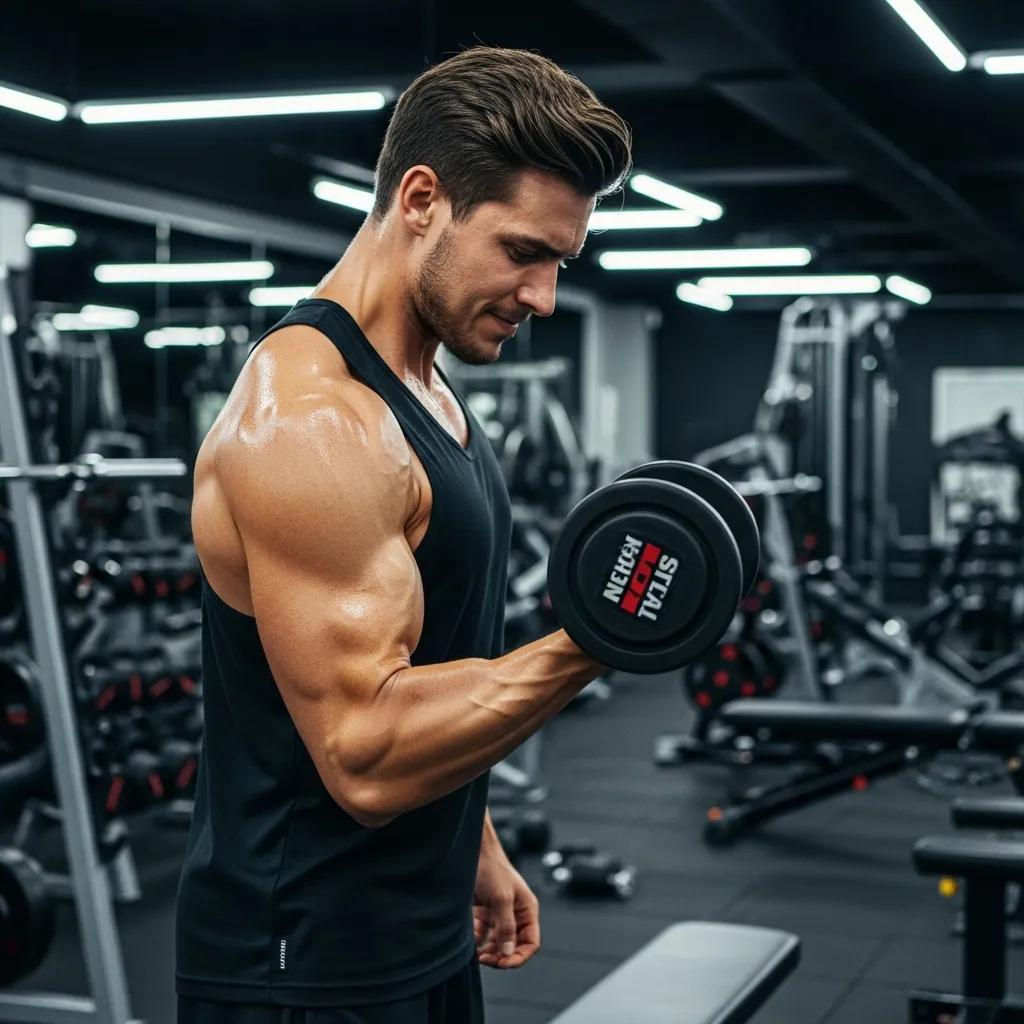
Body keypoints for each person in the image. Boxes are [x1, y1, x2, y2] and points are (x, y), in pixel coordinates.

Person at [175, 45, 632, 1024]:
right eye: (521, 252)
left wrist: (475, 843)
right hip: (298, 962)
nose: (544, 296)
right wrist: (599, 637)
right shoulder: (311, 422)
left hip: (415, 932)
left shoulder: (429, 394)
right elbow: (366, 747)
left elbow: (425, 657)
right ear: (421, 199)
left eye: (560, 262)